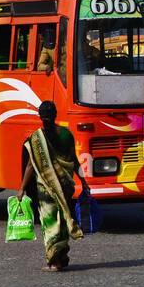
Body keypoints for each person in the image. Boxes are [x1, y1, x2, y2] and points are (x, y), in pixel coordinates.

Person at [19, 101, 88, 272]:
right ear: (56, 114)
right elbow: (74, 159)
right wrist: (83, 181)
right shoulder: (66, 134)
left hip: (45, 189)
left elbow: (30, 165)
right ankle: (61, 258)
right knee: (63, 221)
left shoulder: (37, 138)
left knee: (50, 224)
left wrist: (21, 188)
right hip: (65, 185)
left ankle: (54, 261)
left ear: (40, 117)